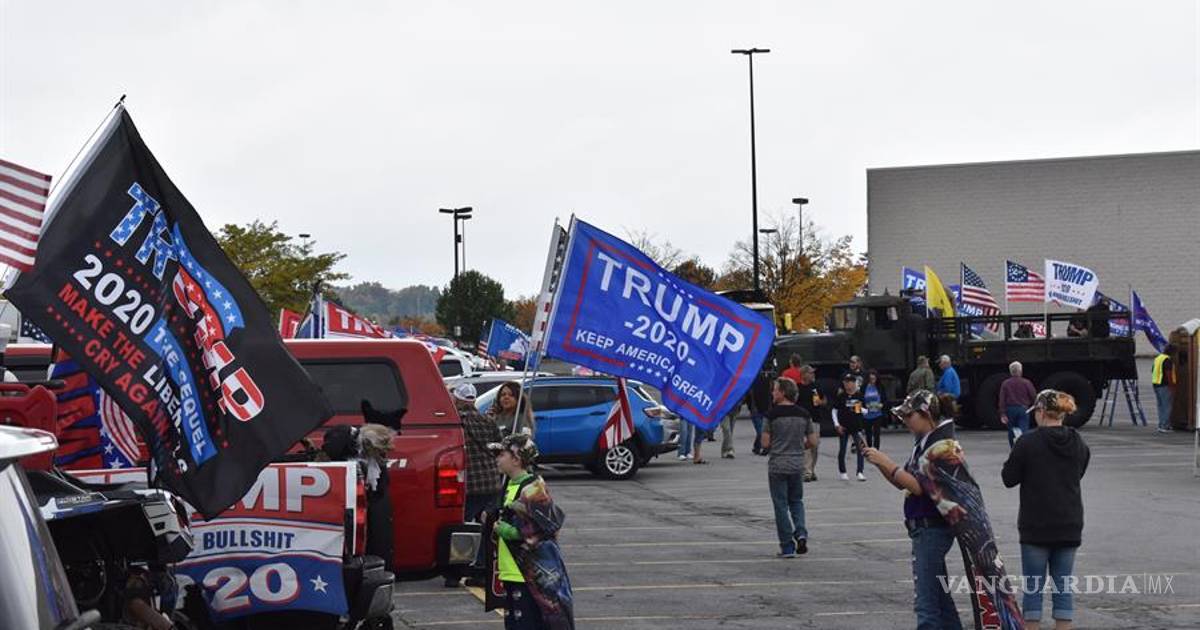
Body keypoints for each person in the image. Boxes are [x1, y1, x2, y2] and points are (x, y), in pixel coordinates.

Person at [863, 391, 1023, 630]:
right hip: (924, 528)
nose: (905, 421)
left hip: (932, 529)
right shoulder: (925, 443)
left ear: (926, 414)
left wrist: (886, 462)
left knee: (927, 603)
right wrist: (879, 464)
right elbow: (901, 482)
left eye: (909, 416)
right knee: (940, 601)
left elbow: (918, 487)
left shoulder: (941, 447)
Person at [1002, 390, 1090, 630]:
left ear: (1041, 412)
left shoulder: (1027, 442)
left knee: (1033, 589)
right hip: (1069, 522)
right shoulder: (1077, 442)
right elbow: (1079, 472)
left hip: (1036, 524)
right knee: (1063, 587)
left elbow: (1009, 478)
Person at [485, 434, 575, 629]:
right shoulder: (508, 484)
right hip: (510, 571)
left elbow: (544, 529)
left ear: (516, 459)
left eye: (502, 454)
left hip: (528, 575)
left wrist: (506, 531)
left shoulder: (534, 488)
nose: (497, 459)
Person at [762, 376, 818, 558]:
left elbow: (765, 443)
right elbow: (813, 441)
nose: (772, 393)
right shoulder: (804, 414)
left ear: (783, 392)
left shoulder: (771, 415)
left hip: (778, 464)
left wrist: (778, 445)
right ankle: (801, 532)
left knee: (780, 505)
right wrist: (799, 446)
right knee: (796, 501)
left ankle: (787, 546)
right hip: (797, 464)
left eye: (775, 389)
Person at [453, 383, 504, 586]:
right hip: (491, 482)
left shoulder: (456, 422)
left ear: (457, 400)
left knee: (462, 528)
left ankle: (456, 571)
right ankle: (482, 570)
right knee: (486, 528)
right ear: (473, 400)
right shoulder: (488, 421)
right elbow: (499, 446)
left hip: (470, 484)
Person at [832, 374, 866, 481]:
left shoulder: (859, 395)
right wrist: (837, 424)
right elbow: (834, 410)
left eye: (850, 382)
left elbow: (865, 410)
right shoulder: (841, 396)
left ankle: (860, 471)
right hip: (844, 426)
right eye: (846, 382)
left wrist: (860, 409)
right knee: (842, 449)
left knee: (860, 449)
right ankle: (843, 471)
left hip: (856, 426)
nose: (848, 385)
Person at [794, 365, 825, 482]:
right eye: (811, 373)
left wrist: (821, 402)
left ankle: (812, 469)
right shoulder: (797, 388)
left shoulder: (816, 387)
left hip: (815, 419)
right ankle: (806, 472)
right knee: (806, 445)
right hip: (801, 420)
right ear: (804, 374)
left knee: (815, 446)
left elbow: (824, 400)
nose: (813, 375)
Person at [999, 362, 1038, 448]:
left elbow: (1002, 399)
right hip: (1023, 409)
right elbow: (1033, 396)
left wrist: (1002, 413)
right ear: (1021, 371)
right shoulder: (1026, 382)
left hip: (1010, 410)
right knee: (1023, 430)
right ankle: (1023, 448)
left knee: (1011, 431)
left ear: (1011, 372)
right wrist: (1036, 406)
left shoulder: (1005, 383)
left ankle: (1013, 448)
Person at [1152, 345, 1176, 433]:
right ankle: (1164, 426)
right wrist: (1172, 386)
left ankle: (1161, 424)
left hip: (1156, 384)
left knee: (1161, 406)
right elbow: (1168, 374)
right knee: (1167, 406)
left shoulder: (1158, 358)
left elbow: (1153, 370)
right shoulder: (1167, 360)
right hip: (1164, 385)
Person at [862, 370, 885, 450]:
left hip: (877, 413)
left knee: (877, 433)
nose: (872, 380)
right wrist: (863, 408)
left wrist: (882, 405)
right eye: (871, 379)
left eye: (874, 379)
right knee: (868, 434)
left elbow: (884, 399)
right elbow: (860, 399)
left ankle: (876, 450)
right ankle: (869, 448)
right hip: (867, 414)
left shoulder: (880, 387)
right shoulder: (864, 387)